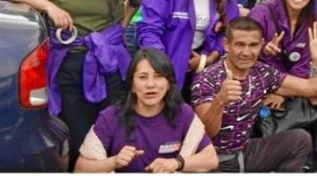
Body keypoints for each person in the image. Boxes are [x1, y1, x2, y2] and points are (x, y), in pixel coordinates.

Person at [7, 0, 143, 168]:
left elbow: (136, 0)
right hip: (69, 62)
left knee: (113, 131)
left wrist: (120, 27)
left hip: (110, 64)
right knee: (78, 133)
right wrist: (50, 7)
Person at [191, 16, 317, 172]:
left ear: (261, 44)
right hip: (212, 160)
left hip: (244, 153)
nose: (246, 52)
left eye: (253, 45)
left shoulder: (262, 72)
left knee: (299, 139)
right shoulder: (207, 79)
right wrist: (220, 101)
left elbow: (309, 87)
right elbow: (208, 133)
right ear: (226, 45)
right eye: (240, 45)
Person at [75, 48, 219, 173]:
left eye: (158, 76)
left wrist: (176, 163)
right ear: (132, 85)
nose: (150, 84)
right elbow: (80, 169)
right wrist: (113, 162)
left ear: (169, 84)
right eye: (143, 77)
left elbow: (211, 159)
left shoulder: (183, 113)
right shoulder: (110, 117)